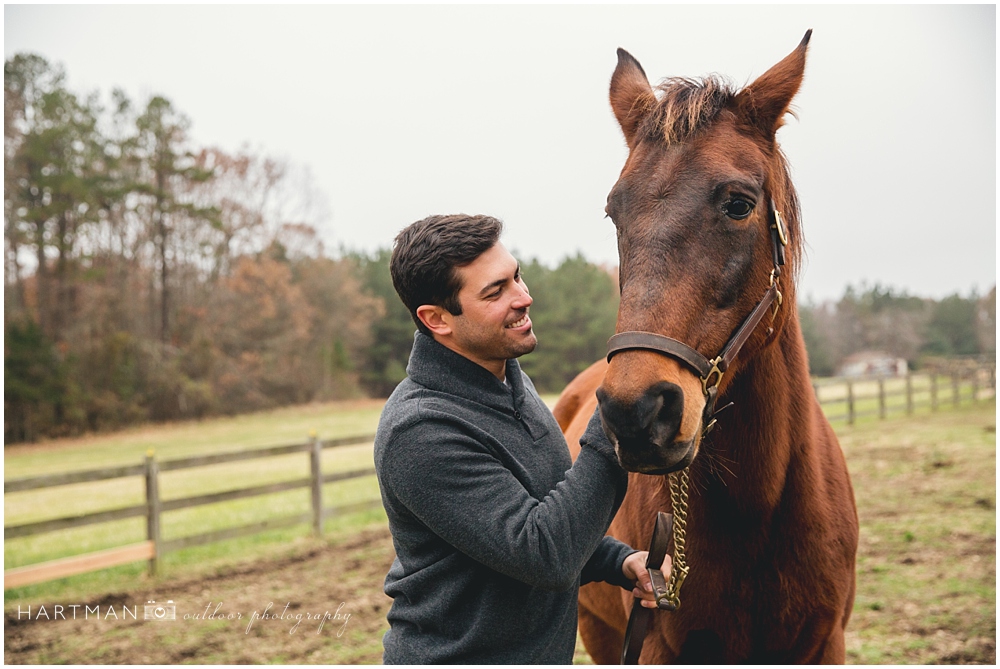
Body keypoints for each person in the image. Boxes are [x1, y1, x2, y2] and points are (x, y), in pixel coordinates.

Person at [374, 214, 666, 664]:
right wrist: (616, 416)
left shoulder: (508, 379)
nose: (524, 297)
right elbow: (544, 553)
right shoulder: (419, 431)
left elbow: (543, 513)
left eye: (517, 277)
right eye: (496, 291)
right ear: (437, 319)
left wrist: (618, 562)